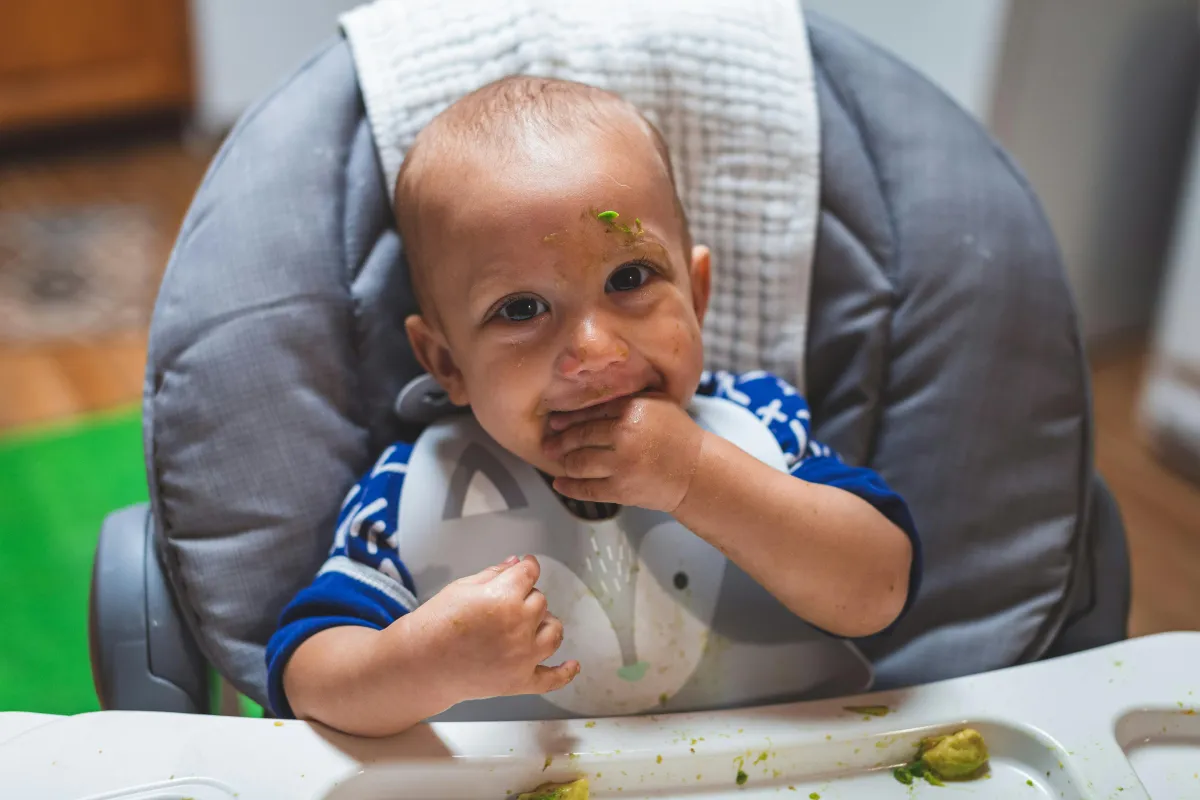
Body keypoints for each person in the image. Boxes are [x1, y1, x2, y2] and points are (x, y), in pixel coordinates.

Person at [266, 76, 920, 737]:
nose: (595, 350)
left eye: (629, 278)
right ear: (446, 363)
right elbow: (306, 683)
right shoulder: (417, 490)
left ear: (696, 295)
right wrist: (424, 665)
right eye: (521, 309)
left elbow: (881, 590)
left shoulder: (761, 427)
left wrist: (697, 473)